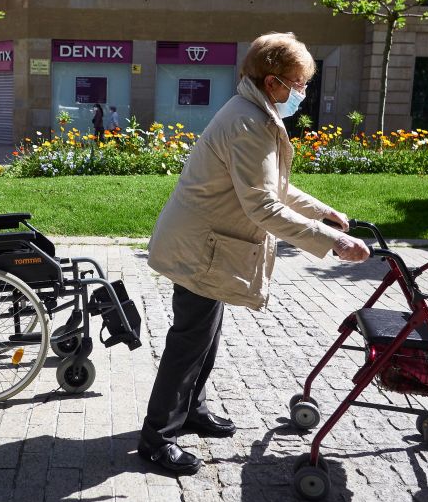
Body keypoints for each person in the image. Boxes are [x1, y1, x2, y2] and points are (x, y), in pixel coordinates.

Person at [139, 32, 370, 474]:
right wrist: (332, 241)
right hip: (200, 247)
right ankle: (156, 437)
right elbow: (264, 206)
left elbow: (273, 187)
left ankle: (191, 411)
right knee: (189, 342)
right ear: (273, 82)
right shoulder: (250, 123)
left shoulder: (255, 113)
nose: (302, 93)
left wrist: (326, 214)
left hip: (206, 244)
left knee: (204, 336)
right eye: (299, 84)